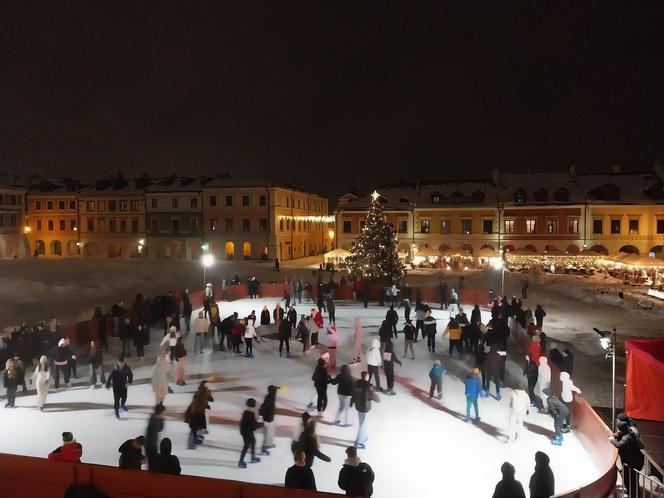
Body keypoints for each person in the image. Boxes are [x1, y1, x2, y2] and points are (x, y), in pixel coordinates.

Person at [610, 421, 645, 498]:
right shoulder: (627, 430)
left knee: (632, 481)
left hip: (633, 463)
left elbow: (620, 444)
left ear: (620, 429)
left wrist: (612, 441)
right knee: (631, 480)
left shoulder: (627, 438)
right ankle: (632, 493)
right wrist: (613, 435)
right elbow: (618, 434)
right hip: (634, 461)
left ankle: (634, 495)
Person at [350, 371, 380, 449]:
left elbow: (353, 393)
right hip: (364, 407)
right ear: (367, 377)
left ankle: (363, 437)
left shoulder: (356, 383)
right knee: (362, 424)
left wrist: (351, 402)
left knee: (362, 423)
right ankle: (359, 442)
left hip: (359, 406)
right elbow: (372, 395)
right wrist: (378, 399)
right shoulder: (368, 386)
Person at [239, 397, 263, 468]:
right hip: (247, 432)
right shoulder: (250, 414)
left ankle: (252, 457)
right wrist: (261, 425)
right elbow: (253, 425)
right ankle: (241, 461)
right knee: (246, 445)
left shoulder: (247, 412)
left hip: (246, 431)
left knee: (253, 441)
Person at [146, 404, 166, 471]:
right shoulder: (154, 422)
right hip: (151, 446)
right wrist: (162, 420)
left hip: (152, 444)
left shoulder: (153, 418)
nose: (163, 414)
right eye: (163, 413)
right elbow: (160, 429)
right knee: (152, 465)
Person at [259, 385, 278, 455]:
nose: (276, 392)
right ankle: (264, 447)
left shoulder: (271, 396)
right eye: (275, 391)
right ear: (273, 391)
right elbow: (264, 407)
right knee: (267, 434)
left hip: (270, 418)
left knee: (270, 432)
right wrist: (261, 414)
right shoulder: (269, 398)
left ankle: (269, 444)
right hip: (267, 419)